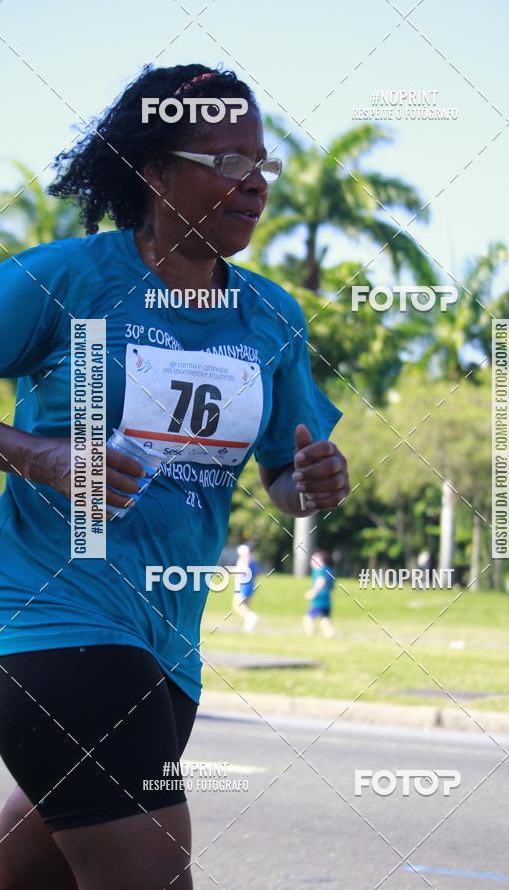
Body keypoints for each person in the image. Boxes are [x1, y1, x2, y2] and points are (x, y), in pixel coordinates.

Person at [0, 63, 349, 890]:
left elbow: (284, 484)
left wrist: (316, 484)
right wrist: (39, 455)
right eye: (226, 163)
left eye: (261, 162)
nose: (254, 184)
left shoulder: (270, 315)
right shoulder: (66, 279)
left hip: (169, 648)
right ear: (153, 173)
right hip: (52, 618)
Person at [303, 551, 335, 638]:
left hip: (319, 600)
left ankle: (311, 636)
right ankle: (330, 635)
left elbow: (321, 581)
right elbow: (332, 587)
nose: (311, 562)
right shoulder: (329, 570)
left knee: (308, 619)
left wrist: (313, 592)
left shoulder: (321, 570)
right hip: (327, 599)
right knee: (325, 620)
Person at [232, 543, 259, 632]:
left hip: (243, 585)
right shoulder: (252, 560)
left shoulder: (245, 559)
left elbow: (241, 571)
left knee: (237, 605)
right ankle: (248, 625)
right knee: (246, 604)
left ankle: (251, 617)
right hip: (250, 584)